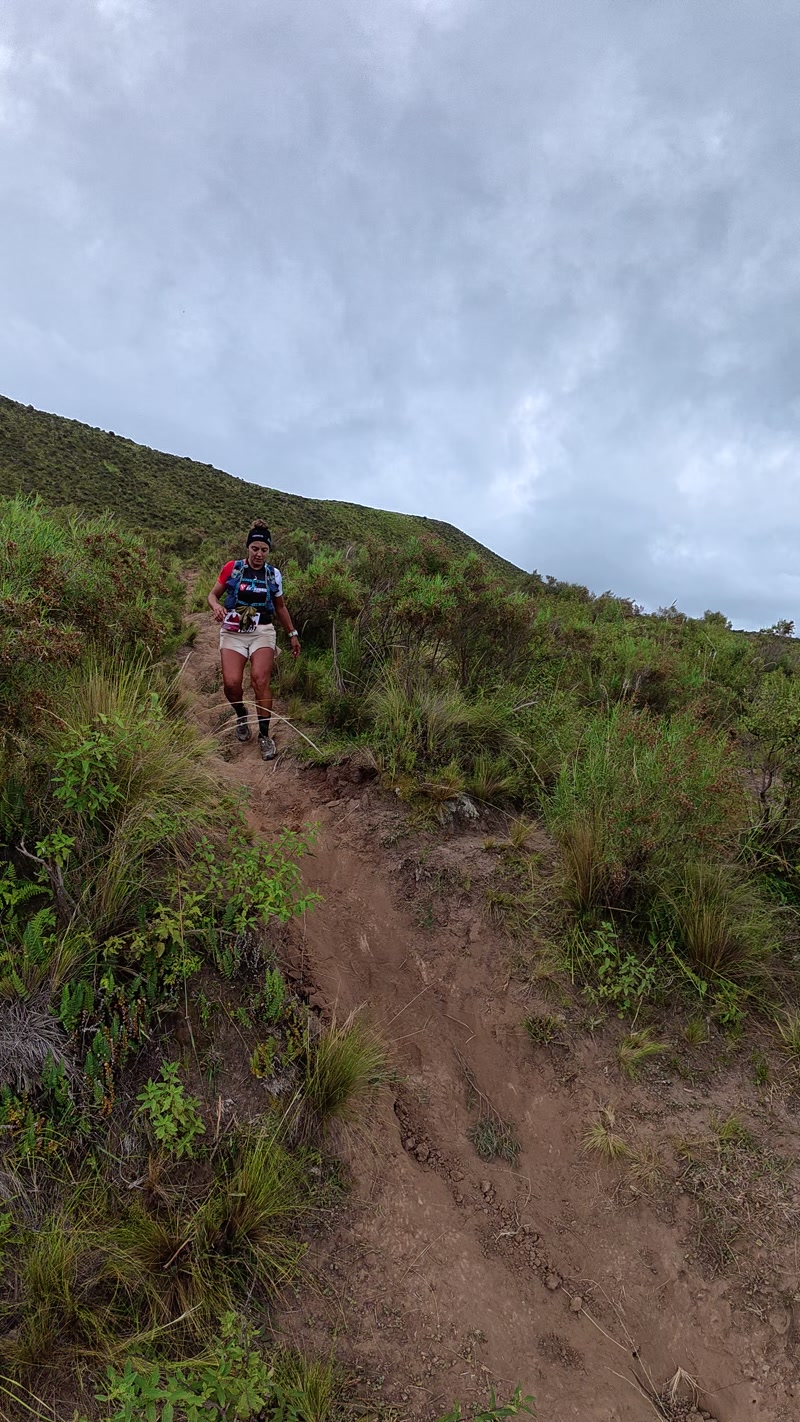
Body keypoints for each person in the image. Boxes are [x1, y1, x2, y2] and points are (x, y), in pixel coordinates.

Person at [207, 522, 301, 760]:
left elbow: (280, 607)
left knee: (260, 680)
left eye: (264, 550)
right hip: (234, 631)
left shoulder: (273, 574)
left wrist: (292, 633)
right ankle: (241, 714)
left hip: (263, 631)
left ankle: (264, 735)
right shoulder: (233, 568)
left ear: (269, 550)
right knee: (231, 684)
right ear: (248, 547)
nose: (259, 554)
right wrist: (216, 606)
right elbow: (213, 595)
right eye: (255, 548)